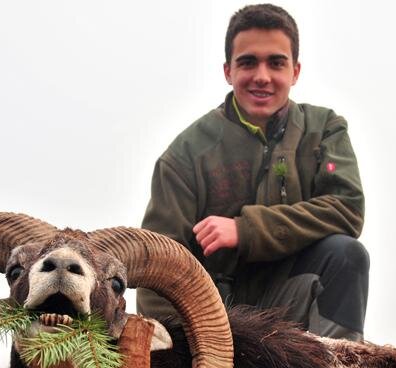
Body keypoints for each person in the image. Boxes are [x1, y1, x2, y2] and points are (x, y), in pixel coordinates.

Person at [137, 3, 368, 340]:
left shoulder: (325, 129)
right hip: (217, 320)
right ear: (228, 71)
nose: (262, 76)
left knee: (346, 255)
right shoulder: (184, 155)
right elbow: (157, 264)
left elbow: (347, 209)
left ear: (295, 71)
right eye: (248, 62)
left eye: (276, 62)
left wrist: (246, 230)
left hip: (292, 298)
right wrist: (181, 353)